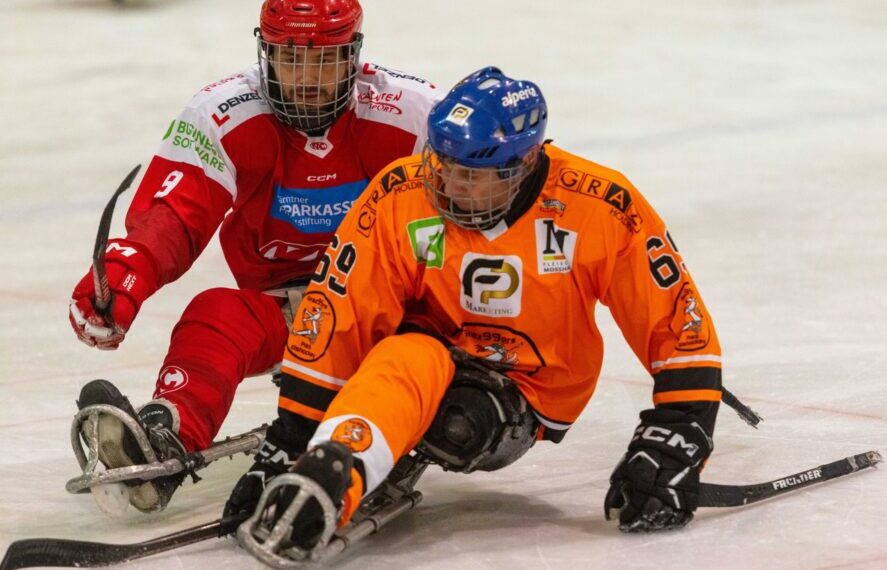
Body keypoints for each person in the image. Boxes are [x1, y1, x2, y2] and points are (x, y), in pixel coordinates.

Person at [228, 67, 725, 565]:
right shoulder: (401, 193)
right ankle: (332, 472)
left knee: (462, 421)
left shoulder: (598, 204)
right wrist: (291, 438)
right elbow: (341, 309)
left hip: (530, 384)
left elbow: (673, 317)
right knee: (403, 356)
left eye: (471, 174)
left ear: (525, 161)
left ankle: (383, 442)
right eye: (442, 164)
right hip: (427, 348)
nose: (449, 184)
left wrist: (676, 434)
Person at [68, 0, 441, 514]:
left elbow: (472, 212)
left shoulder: (416, 114)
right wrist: (122, 277)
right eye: (291, 57)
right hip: (285, 312)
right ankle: (168, 429)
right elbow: (174, 213)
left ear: (355, 55)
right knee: (216, 314)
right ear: (264, 52)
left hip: (385, 315)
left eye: (326, 58)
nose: (308, 78)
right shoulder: (223, 113)